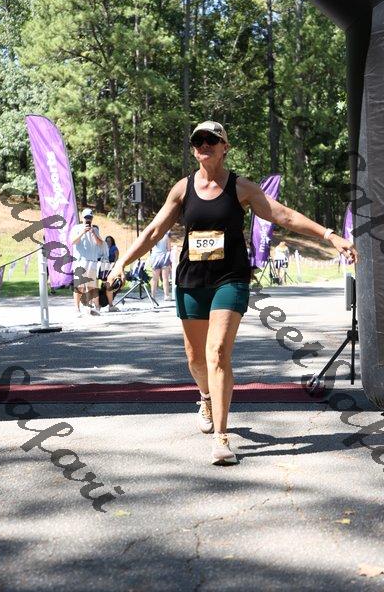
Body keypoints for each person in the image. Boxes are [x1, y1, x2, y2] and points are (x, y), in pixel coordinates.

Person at [108, 120, 357, 465]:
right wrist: (121, 262)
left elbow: (284, 216)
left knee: (218, 352)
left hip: (230, 279)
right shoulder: (182, 189)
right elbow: (153, 231)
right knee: (195, 359)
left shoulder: (241, 188)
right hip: (191, 281)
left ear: (225, 147)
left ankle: (222, 437)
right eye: (198, 140)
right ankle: (206, 397)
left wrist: (330, 235)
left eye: (212, 140)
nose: (204, 145)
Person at [70, 208, 104, 317]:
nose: (88, 220)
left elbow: (100, 244)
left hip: (92, 261)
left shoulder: (95, 229)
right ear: (82, 217)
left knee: (92, 286)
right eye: (86, 218)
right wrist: (82, 232)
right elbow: (73, 241)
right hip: (80, 261)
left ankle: (93, 307)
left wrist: (93, 233)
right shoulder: (76, 228)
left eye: (90, 218)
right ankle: (76, 308)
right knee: (79, 286)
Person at [150, 230, 172, 301]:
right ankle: (166, 295)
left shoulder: (153, 236)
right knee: (165, 278)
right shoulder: (166, 235)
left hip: (154, 258)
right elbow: (169, 249)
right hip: (164, 257)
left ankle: (153, 295)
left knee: (154, 278)